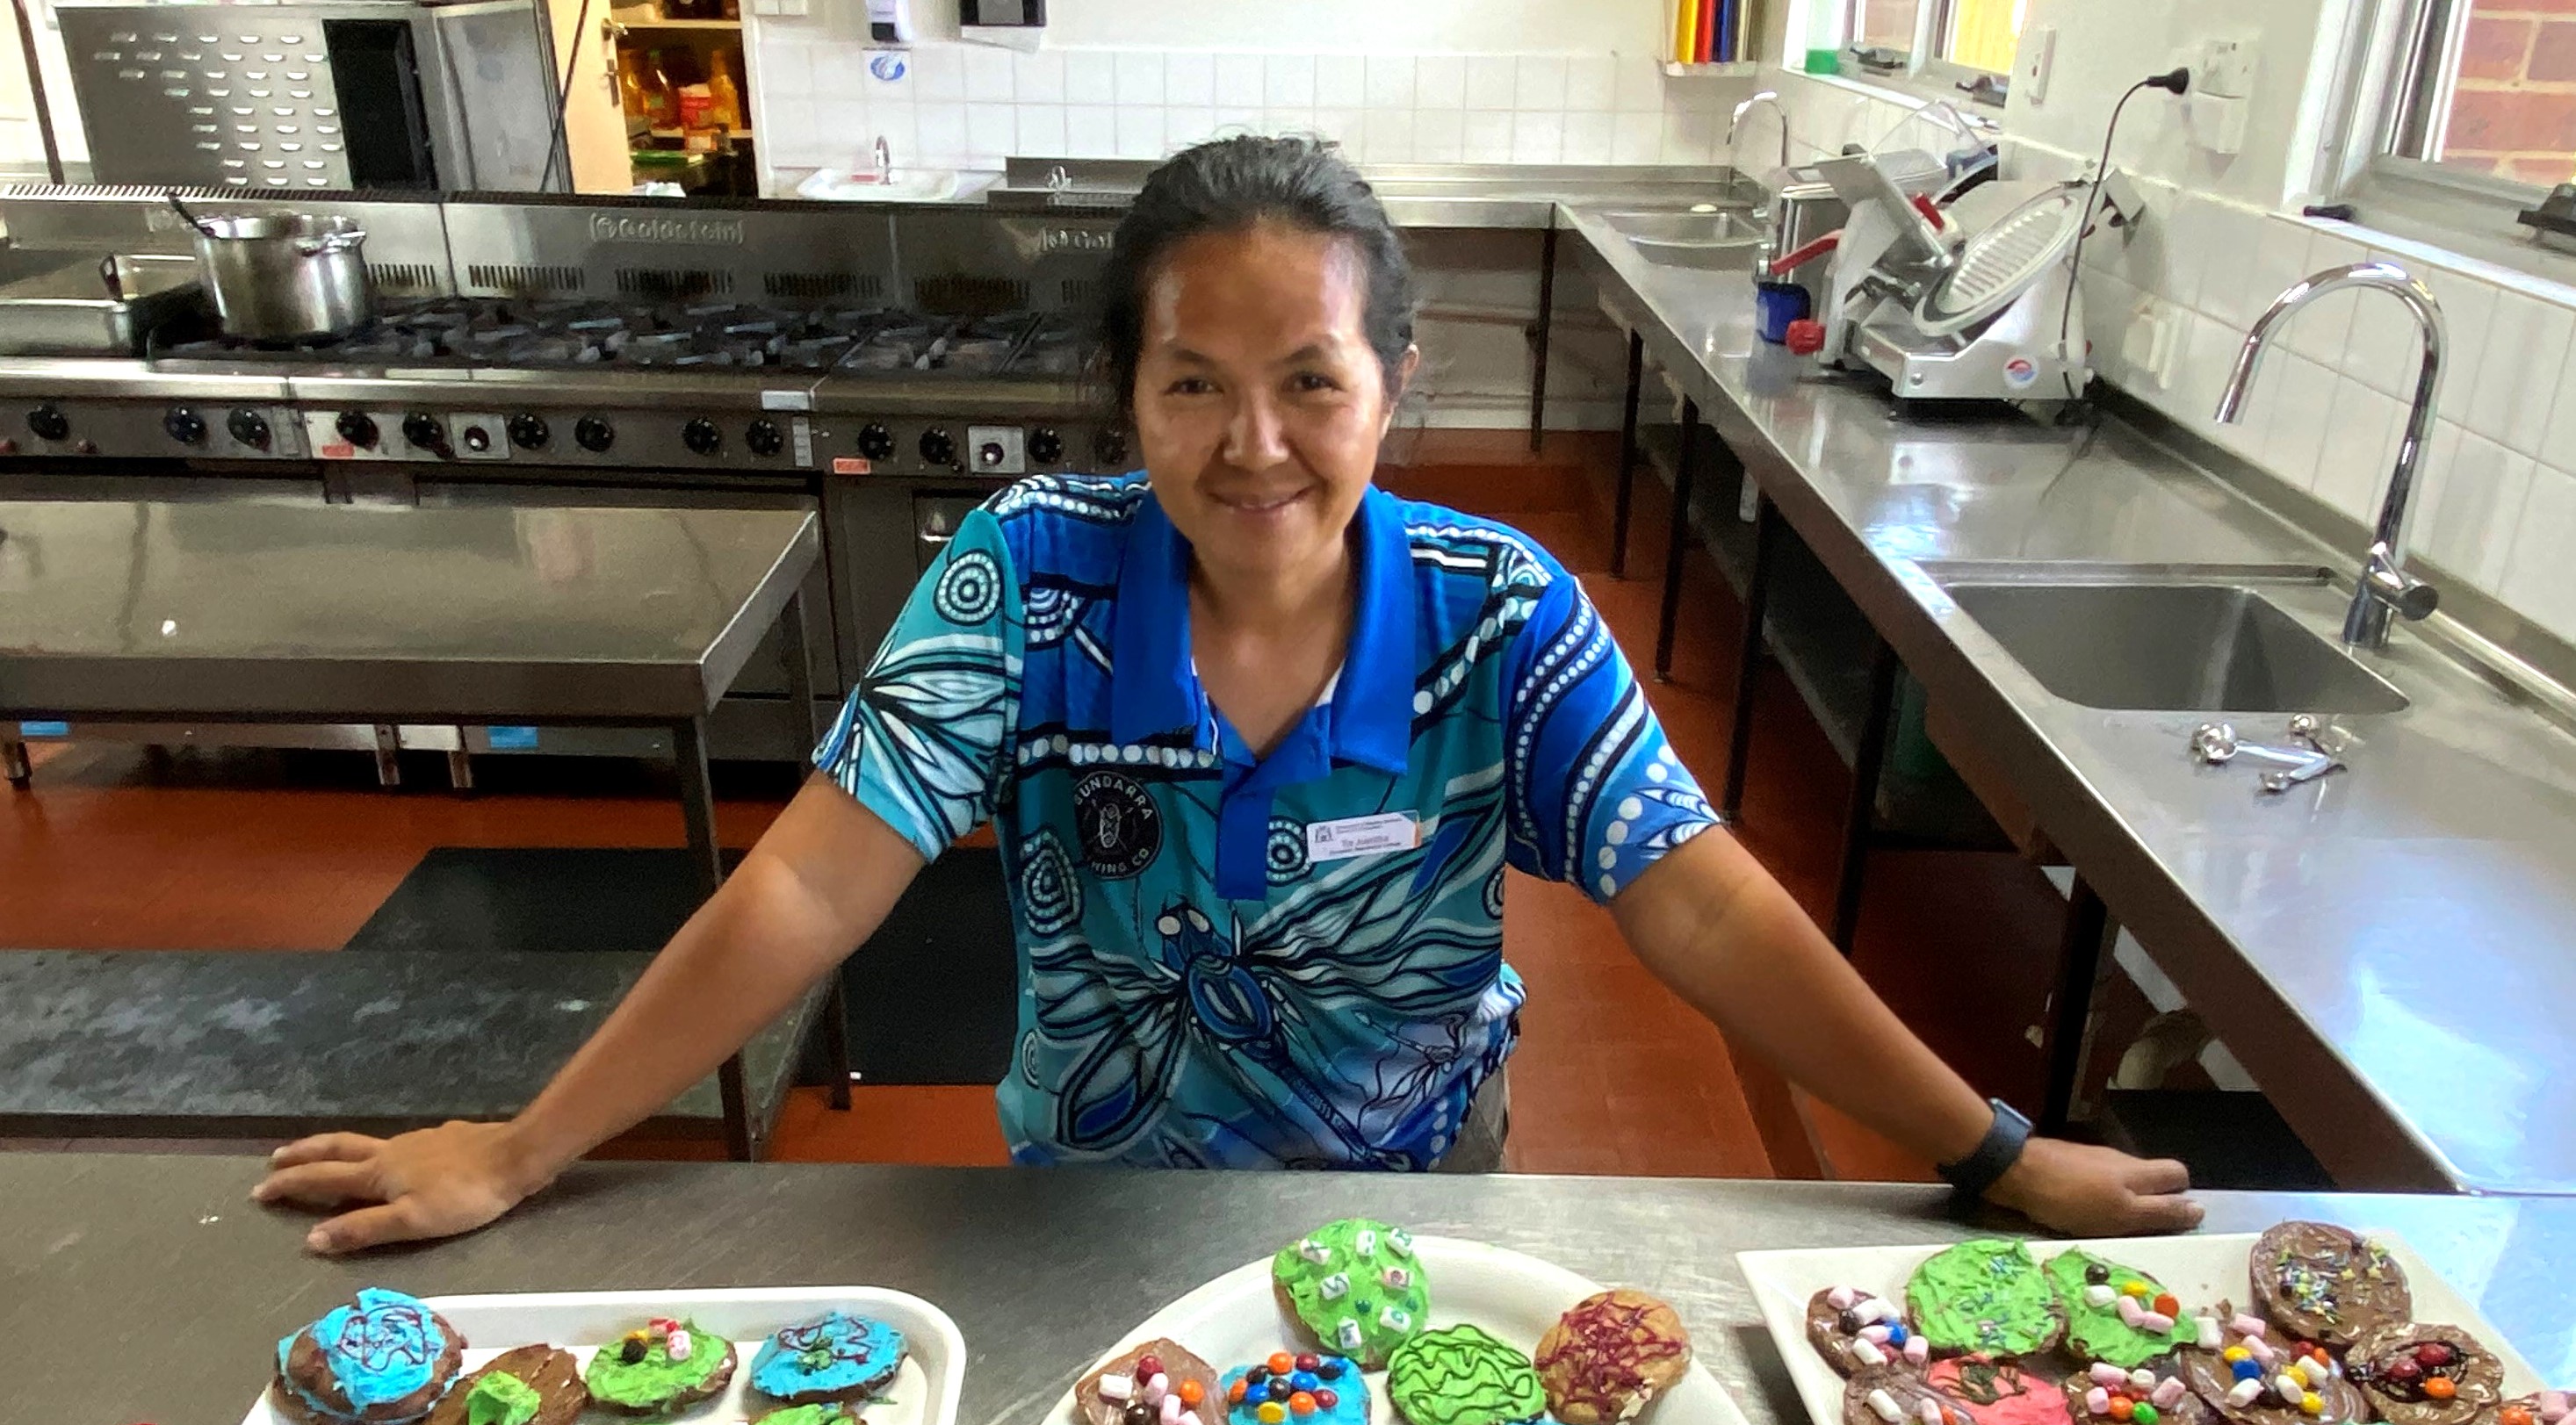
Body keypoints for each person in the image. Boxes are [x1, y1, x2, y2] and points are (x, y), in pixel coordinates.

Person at [255, 135, 2198, 1251]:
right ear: (1129, 394)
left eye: (1312, 382)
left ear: (1395, 386)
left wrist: (1990, 1150)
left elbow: (1695, 894)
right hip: (1089, 1217)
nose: (1252, 443)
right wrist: (525, 1144)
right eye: (1195, 382)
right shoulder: (1022, 584)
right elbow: (807, 888)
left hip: (1428, 1200)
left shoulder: (1494, 612)